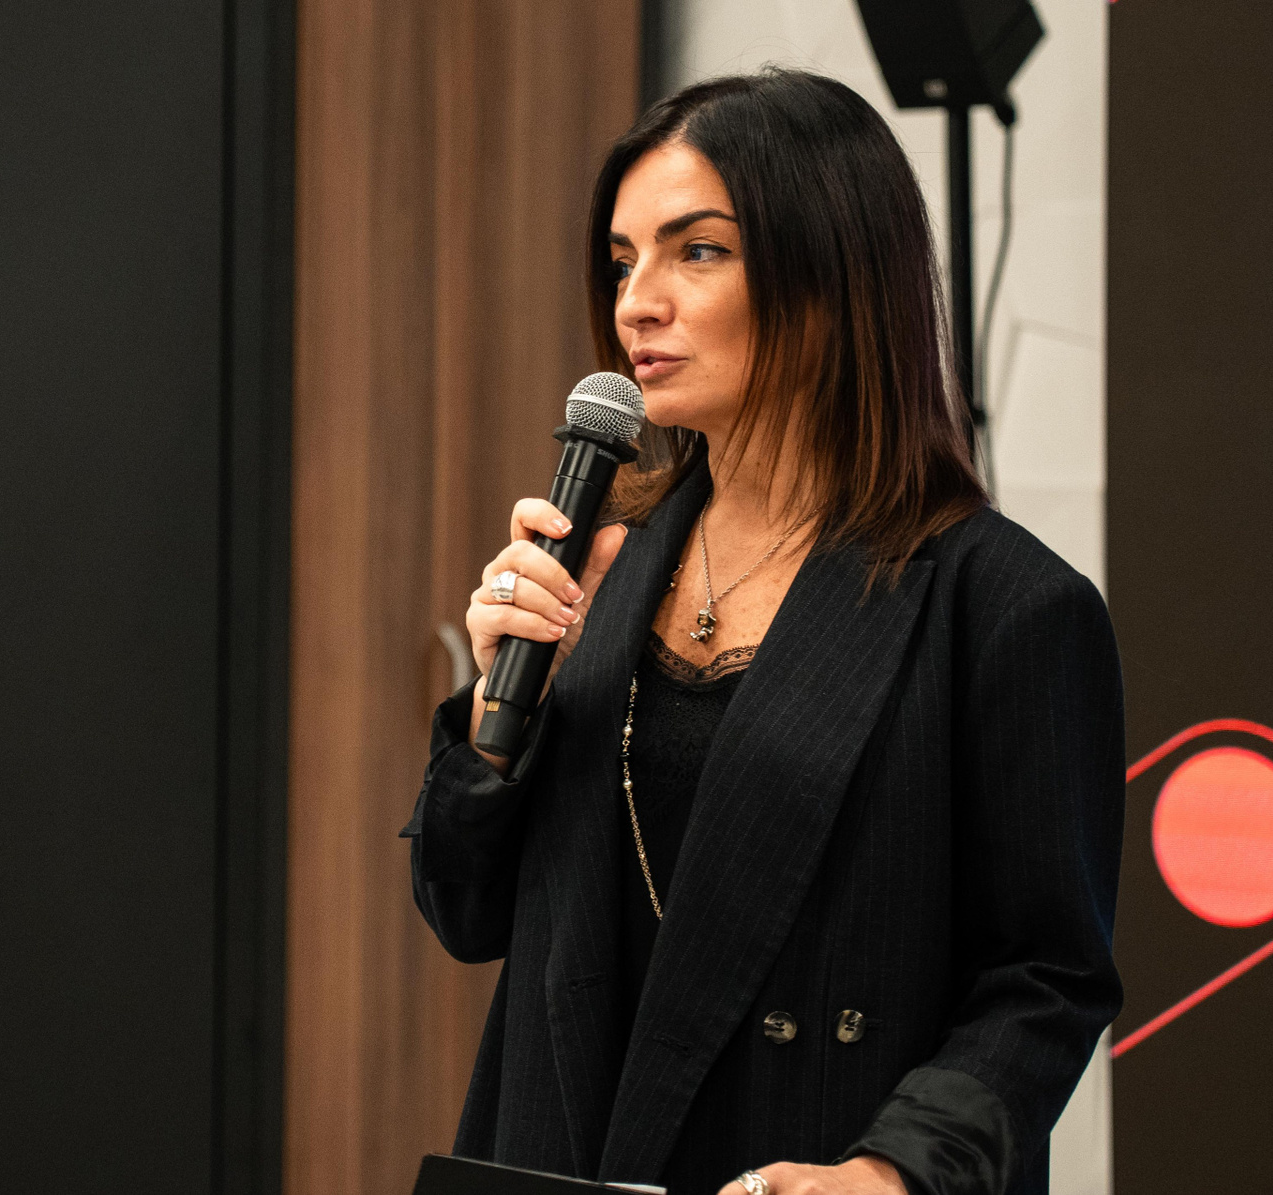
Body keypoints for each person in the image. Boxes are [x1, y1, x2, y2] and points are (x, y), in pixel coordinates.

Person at [400, 71, 1124, 1195]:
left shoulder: (1004, 605)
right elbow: (466, 912)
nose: (638, 303)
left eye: (697, 251)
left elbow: (1045, 980)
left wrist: (892, 1171)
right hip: (555, 1154)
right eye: (623, 261)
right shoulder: (601, 560)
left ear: (832, 275)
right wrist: (502, 714)